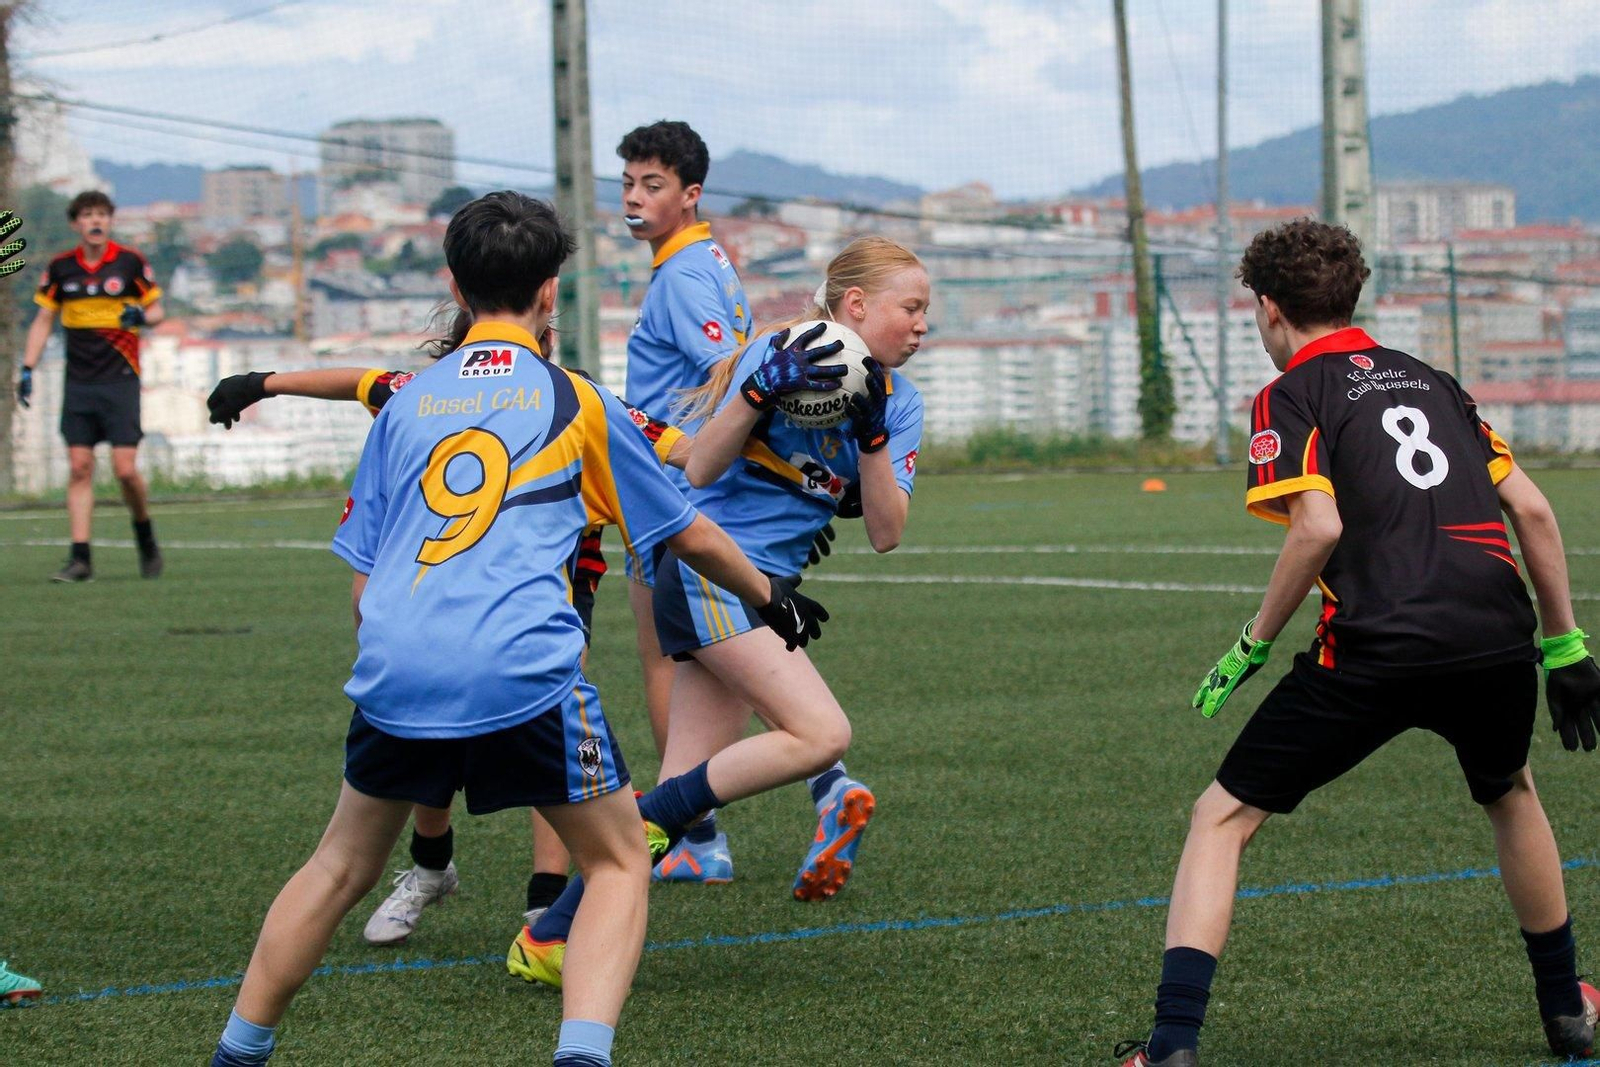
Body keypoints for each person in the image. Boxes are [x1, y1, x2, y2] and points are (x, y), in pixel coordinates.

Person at [207, 192, 828, 1067]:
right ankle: (580, 1056)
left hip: (396, 666)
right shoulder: (577, 401)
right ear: (550, 292)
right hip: (523, 669)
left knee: (338, 868)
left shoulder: (406, 402)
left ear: (456, 287)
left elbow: (361, 589)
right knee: (616, 862)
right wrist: (773, 597)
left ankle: (237, 1051)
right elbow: (684, 528)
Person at [1115, 218, 1600, 1067]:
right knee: (1512, 791)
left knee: (1222, 816)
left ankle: (1170, 1046)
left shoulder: (1294, 391)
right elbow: (1532, 510)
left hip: (1377, 644)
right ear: (1351, 295)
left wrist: (1251, 645)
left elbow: (1318, 527)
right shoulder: (1432, 380)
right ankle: (1568, 1012)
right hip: (1496, 632)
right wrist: (1565, 649)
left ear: (1269, 308)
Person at [508, 235, 929, 987]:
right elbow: (698, 464)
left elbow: (889, 531)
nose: (923, 324)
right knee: (822, 732)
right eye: (912, 307)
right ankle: (635, 842)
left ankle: (549, 934)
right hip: (712, 575)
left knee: (675, 795)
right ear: (857, 305)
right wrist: (761, 393)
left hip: (764, 590)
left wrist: (868, 434)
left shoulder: (904, 403)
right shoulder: (776, 349)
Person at [207, 344, 691, 944]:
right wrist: (262, 382)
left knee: (559, 747)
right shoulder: (429, 391)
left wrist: (778, 435)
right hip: (436, 602)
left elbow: (687, 451)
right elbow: (362, 381)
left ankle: (546, 904)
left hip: (552, 602)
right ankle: (432, 865)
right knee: (426, 731)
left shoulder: (579, 396)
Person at [616, 120, 753, 884]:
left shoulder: (682, 275)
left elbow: (731, 368)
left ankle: (694, 836)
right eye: (629, 184)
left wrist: (696, 454)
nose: (635, 198)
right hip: (696, 487)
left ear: (690, 194)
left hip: (669, 494)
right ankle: (827, 782)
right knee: (721, 660)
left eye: (652, 185)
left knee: (669, 662)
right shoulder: (703, 261)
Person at [18, 191, 165, 583]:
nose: (95, 221)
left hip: (120, 381)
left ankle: (145, 535)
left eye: (101, 214)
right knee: (79, 467)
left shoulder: (130, 261)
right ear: (76, 224)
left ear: (110, 221)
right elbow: (42, 320)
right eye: (87, 215)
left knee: (125, 470)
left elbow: (157, 311)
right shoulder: (62, 268)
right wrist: (28, 367)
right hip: (79, 383)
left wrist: (142, 317)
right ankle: (80, 558)